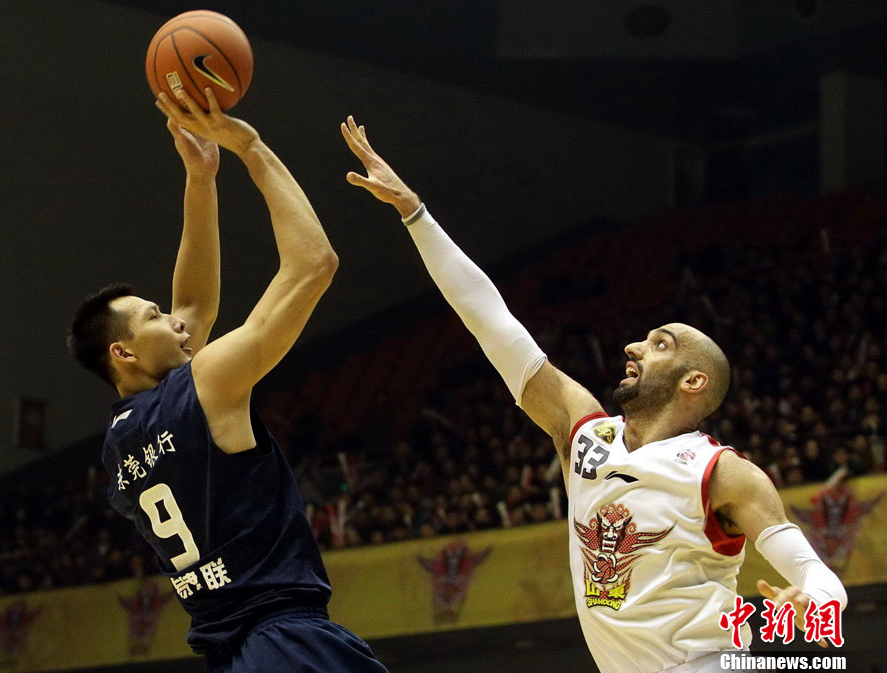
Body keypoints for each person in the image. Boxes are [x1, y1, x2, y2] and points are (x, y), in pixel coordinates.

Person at [341, 116, 847, 673]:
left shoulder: (723, 473)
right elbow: (492, 321)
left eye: (660, 344)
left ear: (693, 381)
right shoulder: (584, 432)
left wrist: (813, 601)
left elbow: (816, 573)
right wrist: (415, 213)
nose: (634, 346)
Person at [67, 91, 387, 673]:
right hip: (287, 641)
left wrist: (201, 180)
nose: (174, 319)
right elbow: (314, 264)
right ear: (123, 352)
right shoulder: (204, 388)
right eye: (155, 316)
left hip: (234, 655)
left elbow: (193, 306)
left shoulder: (119, 444)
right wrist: (250, 146)